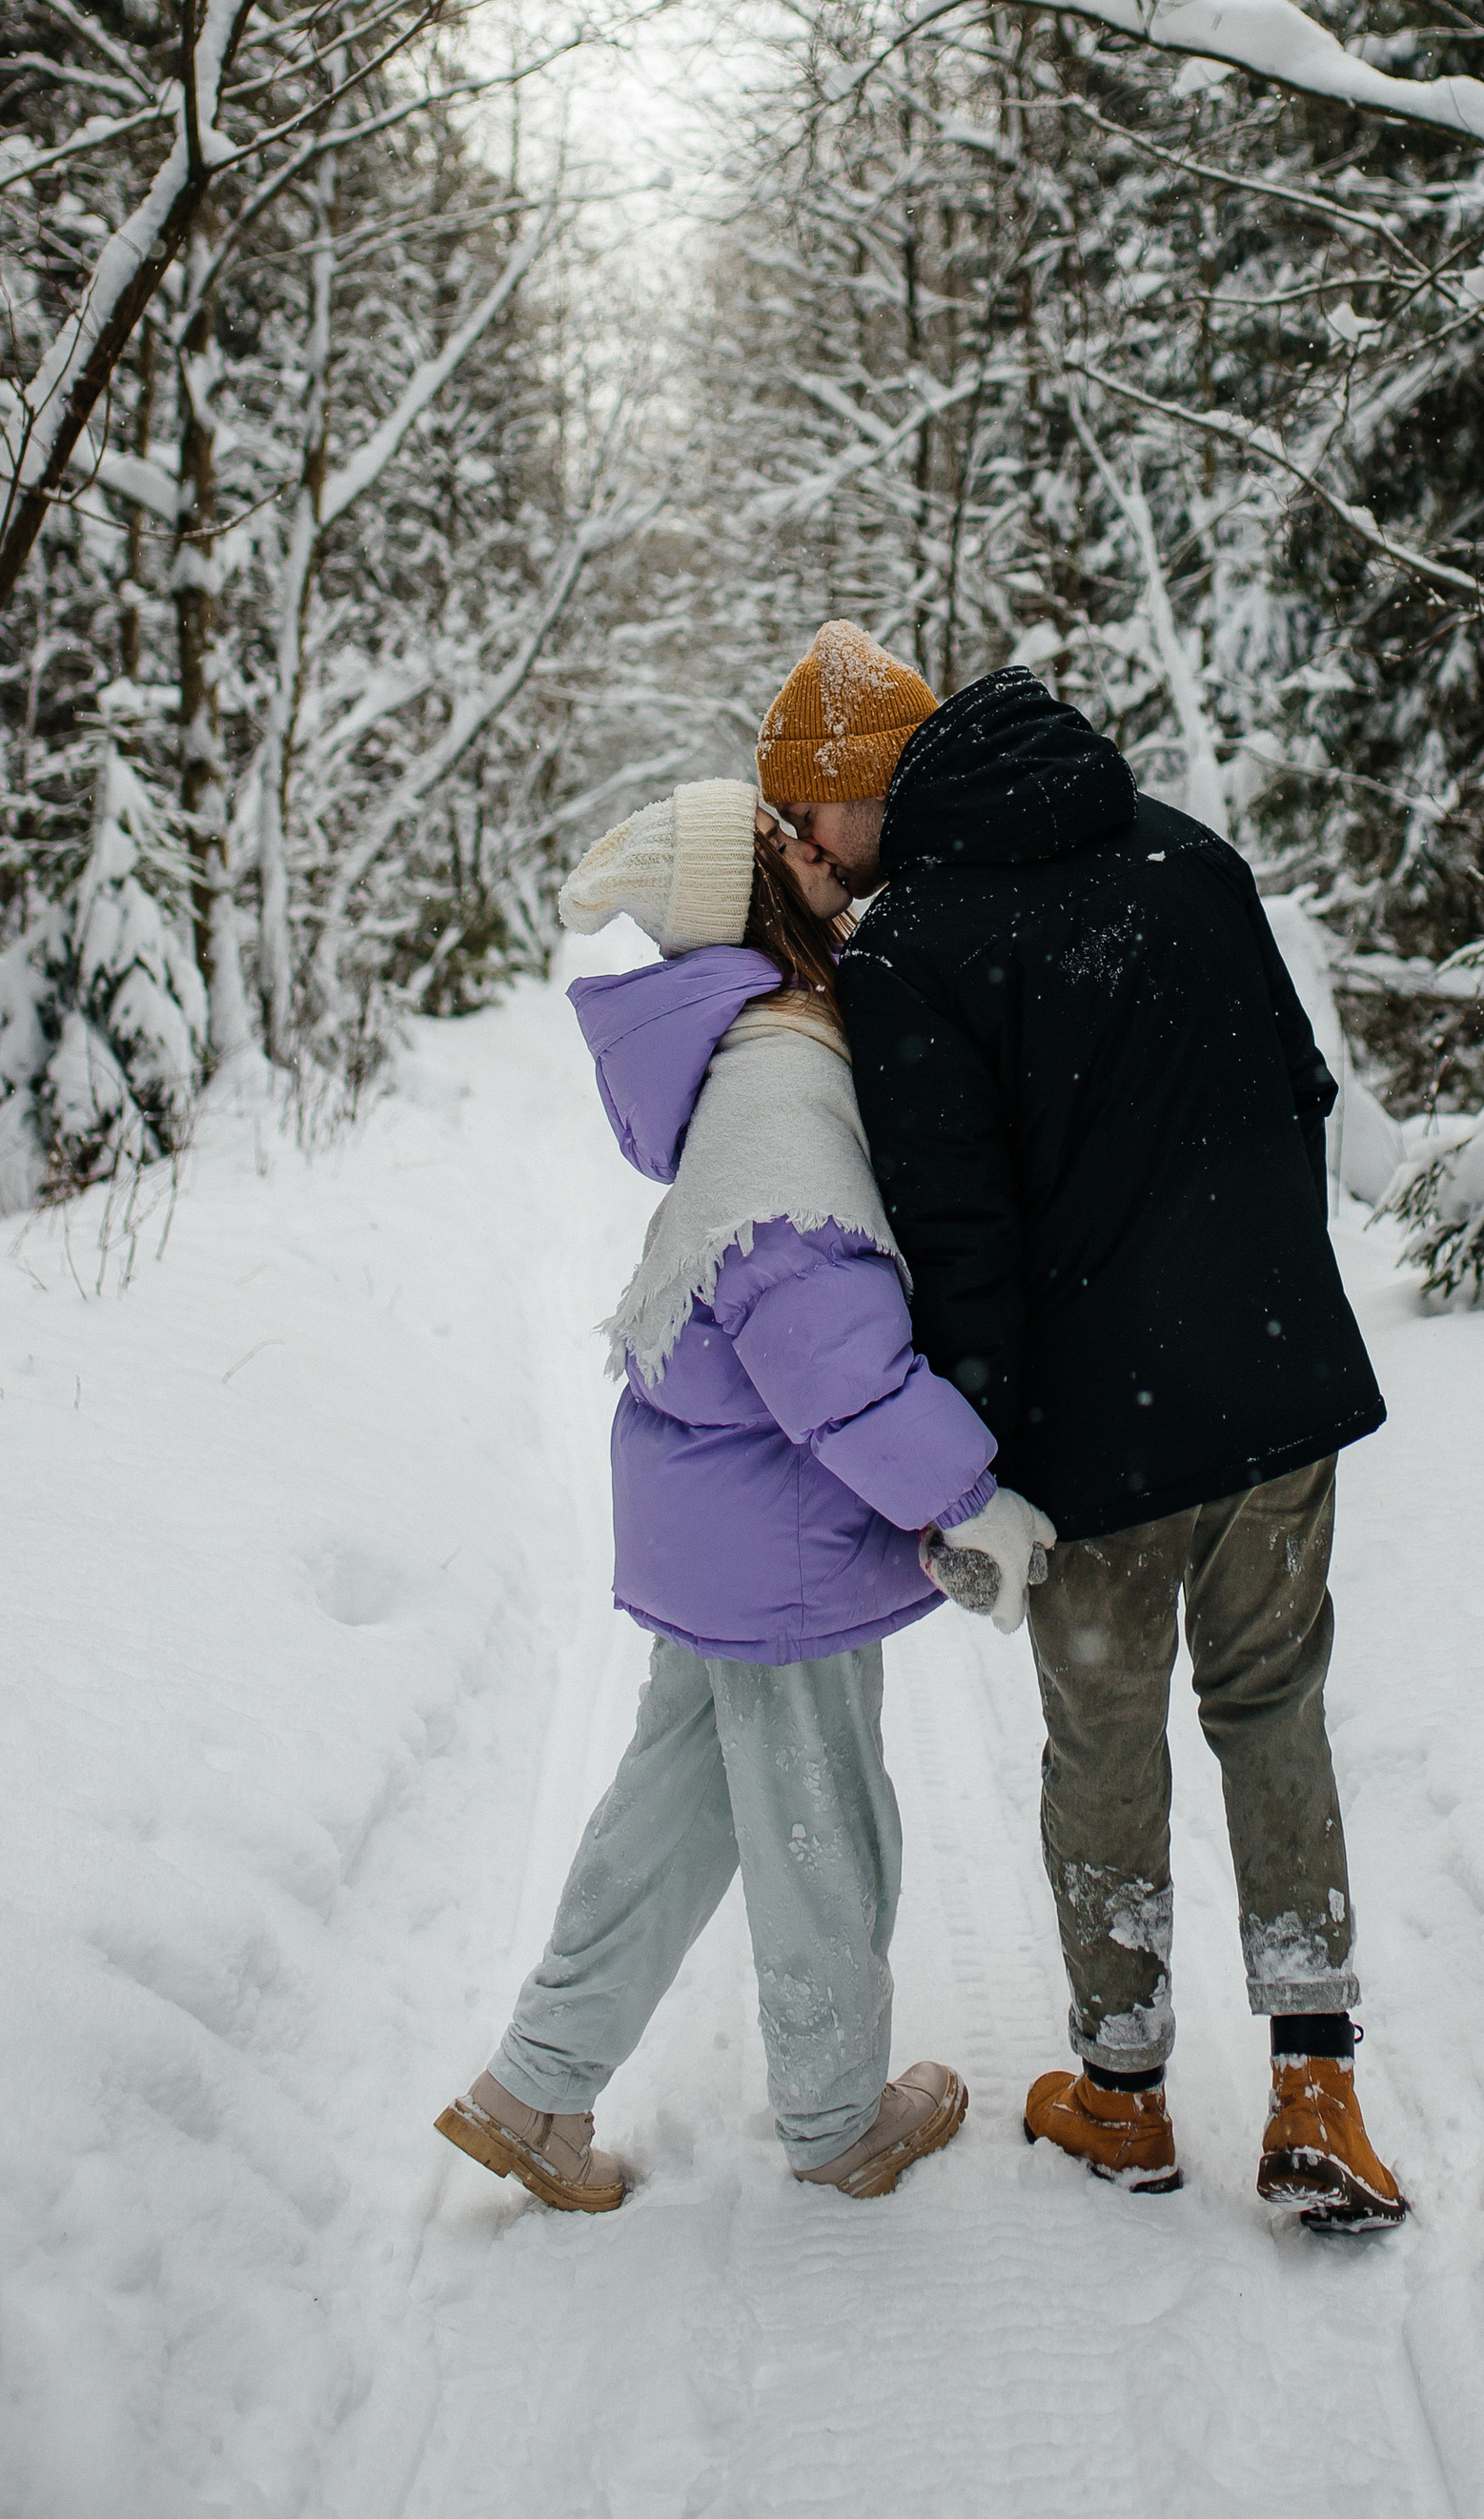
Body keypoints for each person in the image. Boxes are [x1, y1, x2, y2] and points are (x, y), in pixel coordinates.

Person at [757, 622, 1410, 2232]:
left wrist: (966, 1470)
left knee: (1106, 1741)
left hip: (1098, 1436)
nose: (797, 850)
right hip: (1273, 1391)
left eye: (803, 817)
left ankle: (1122, 2093)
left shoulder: (912, 941)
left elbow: (957, 1236)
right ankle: (1317, 2088)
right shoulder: (1189, 854)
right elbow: (1300, 1090)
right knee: (1273, 1710)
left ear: (862, 800)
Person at [435, 778, 997, 2214]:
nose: (821, 851)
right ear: (757, 898)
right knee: (824, 1825)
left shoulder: (754, 1042)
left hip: (723, 1509)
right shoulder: (779, 1074)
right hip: (782, 1527)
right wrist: (970, 1496)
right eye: (788, 849)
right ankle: (836, 2118)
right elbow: (827, 1350)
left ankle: (535, 2088)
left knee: (676, 1813)